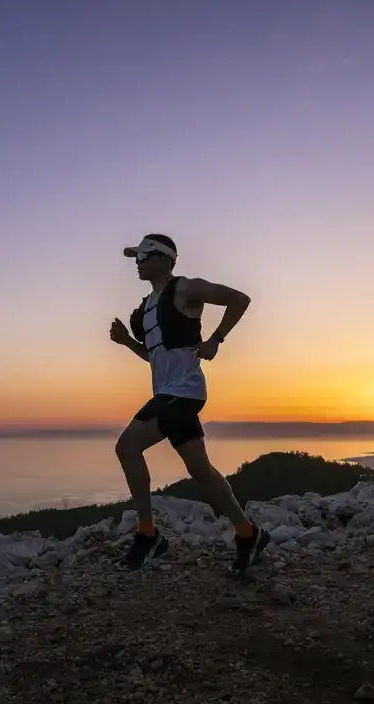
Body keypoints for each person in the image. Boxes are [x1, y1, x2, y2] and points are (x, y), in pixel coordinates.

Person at [109, 233, 271, 575]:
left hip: (184, 392)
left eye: (144, 255)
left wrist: (215, 339)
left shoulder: (185, 288)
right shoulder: (145, 309)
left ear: (166, 258)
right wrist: (126, 342)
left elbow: (239, 299)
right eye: (135, 258)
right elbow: (153, 356)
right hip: (168, 394)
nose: (138, 263)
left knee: (126, 448)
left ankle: (148, 534)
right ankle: (248, 532)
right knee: (199, 470)